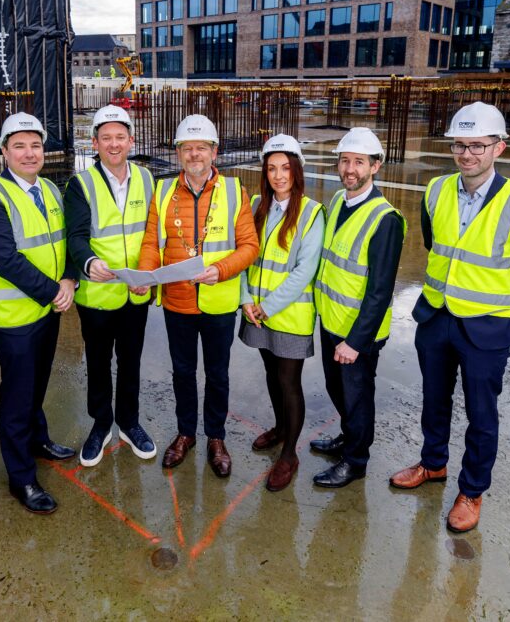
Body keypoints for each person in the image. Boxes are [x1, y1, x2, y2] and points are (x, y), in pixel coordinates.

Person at [389, 102, 510, 533]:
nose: (467, 154)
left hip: (487, 327)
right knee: (434, 401)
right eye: (460, 144)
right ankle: (433, 464)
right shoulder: (436, 190)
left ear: (499, 147)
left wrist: (491, 300)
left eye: (478, 145)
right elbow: (434, 242)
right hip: (437, 318)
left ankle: (472, 490)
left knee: (482, 414)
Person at [138, 114, 259, 477]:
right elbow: (150, 243)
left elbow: (250, 246)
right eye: (187, 148)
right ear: (178, 154)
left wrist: (221, 271)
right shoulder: (162, 192)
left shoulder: (235, 191)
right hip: (177, 302)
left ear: (214, 152)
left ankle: (216, 438)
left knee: (218, 374)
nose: (194, 155)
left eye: (201, 148)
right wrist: (145, 274)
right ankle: (186, 433)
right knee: (182, 372)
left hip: (218, 303)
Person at [0, 112, 78, 515]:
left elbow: (63, 242)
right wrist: (54, 292)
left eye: (35, 145)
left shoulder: (49, 188)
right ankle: (22, 477)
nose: (29, 153)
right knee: (16, 397)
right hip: (15, 319)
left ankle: (39, 439)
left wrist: (69, 279)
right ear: (4, 151)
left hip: (48, 311)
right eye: (19, 145)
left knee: (37, 385)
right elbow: (4, 259)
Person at [310, 126, 405, 489]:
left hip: (357, 335)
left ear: (375, 166)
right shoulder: (338, 202)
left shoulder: (385, 219)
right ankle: (348, 439)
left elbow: (380, 292)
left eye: (359, 162)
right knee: (339, 392)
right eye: (345, 161)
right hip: (332, 322)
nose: (350, 169)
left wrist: (356, 341)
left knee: (358, 397)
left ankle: (356, 461)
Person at [64, 105, 158, 467]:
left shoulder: (147, 179)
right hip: (97, 297)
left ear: (131, 141)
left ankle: (129, 422)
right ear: (95, 143)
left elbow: (153, 234)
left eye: (121, 137)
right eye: (107, 138)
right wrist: (89, 262)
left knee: (131, 361)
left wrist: (148, 274)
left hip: (135, 293)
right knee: (99, 362)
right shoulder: (81, 184)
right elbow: (75, 235)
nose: (114, 144)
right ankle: (102, 424)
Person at [239, 134, 324, 492]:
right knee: (271, 376)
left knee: (289, 383)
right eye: (271, 168)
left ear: (297, 169)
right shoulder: (258, 204)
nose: (278, 175)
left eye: (285, 167)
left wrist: (267, 306)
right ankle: (280, 428)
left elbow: (305, 271)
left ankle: (289, 453)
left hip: (287, 315)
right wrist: (245, 299)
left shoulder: (311, 212)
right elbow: (243, 254)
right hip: (256, 312)